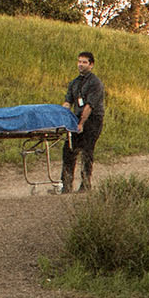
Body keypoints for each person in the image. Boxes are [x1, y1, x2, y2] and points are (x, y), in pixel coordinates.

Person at [61, 50, 106, 193]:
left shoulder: (95, 83)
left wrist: (81, 124)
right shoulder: (74, 83)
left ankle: (85, 185)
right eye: (79, 61)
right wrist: (63, 117)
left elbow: (89, 106)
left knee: (87, 151)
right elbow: (68, 102)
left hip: (92, 120)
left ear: (91, 65)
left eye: (84, 62)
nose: (81, 65)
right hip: (76, 119)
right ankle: (66, 185)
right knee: (68, 150)